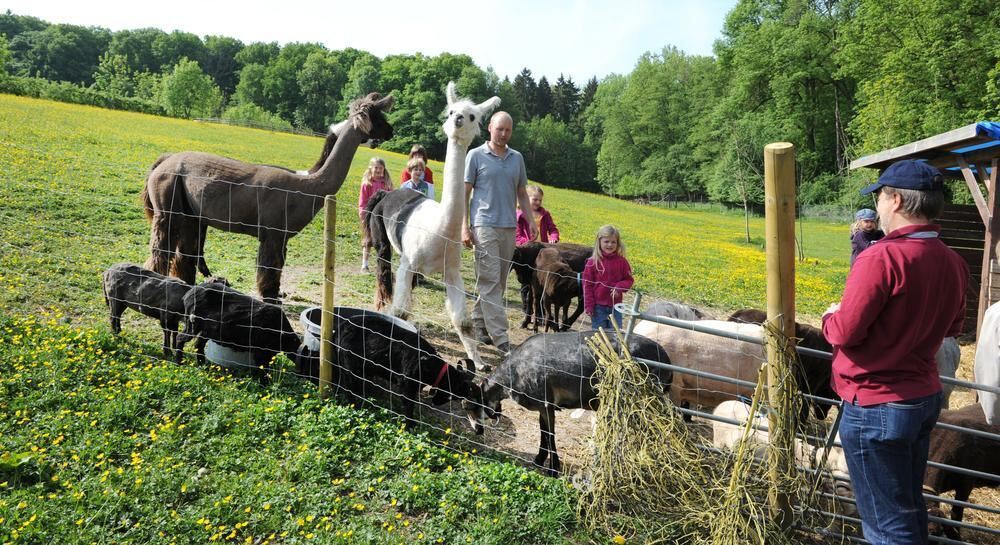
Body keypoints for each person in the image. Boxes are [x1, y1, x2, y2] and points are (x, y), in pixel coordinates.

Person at [822, 159, 968, 545]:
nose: (879, 209)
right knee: (907, 506)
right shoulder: (953, 261)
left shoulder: (880, 258)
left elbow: (846, 332)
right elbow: (953, 329)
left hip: (876, 403)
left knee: (885, 525)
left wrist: (829, 317)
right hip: (921, 397)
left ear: (896, 200)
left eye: (881, 199)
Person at [463, 111, 535, 355]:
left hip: (509, 227)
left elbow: (522, 193)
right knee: (490, 280)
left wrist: (530, 220)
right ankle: (502, 338)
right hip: (483, 225)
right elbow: (464, 194)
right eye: (499, 129)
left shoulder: (517, 158)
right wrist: (465, 226)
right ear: (490, 128)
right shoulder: (475, 156)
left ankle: (479, 323)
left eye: (508, 130)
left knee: (498, 282)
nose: (503, 134)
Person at [582, 224, 634, 330]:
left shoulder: (622, 262)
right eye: (606, 241)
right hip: (598, 307)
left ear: (618, 243)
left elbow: (629, 280)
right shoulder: (592, 262)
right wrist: (589, 306)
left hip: (616, 308)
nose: (610, 245)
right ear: (599, 242)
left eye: (613, 242)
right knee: (599, 336)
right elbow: (587, 286)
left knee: (615, 335)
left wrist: (619, 287)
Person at [357, 157, 393, 272]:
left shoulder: (387, 183)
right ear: (371, 168)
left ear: (384, 169)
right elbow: (362, 202)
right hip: (370, 216)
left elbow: (392, 198)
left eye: (380, 168)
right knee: (368, 240)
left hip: (384, 216)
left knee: (384, 241)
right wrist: (363, 216)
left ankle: (383, 266)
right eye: (376, 167)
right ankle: (364, 265)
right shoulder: (367, 184)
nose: (378, 170)